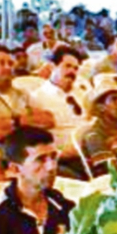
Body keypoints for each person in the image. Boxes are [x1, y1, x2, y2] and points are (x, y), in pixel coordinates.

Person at [29, 44, 89, 172]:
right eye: (67, 66)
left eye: (76, 68)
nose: (72, 72)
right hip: (63, 158)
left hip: (90, 152)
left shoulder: (83, 93)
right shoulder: (38, 97)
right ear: (53, 66)